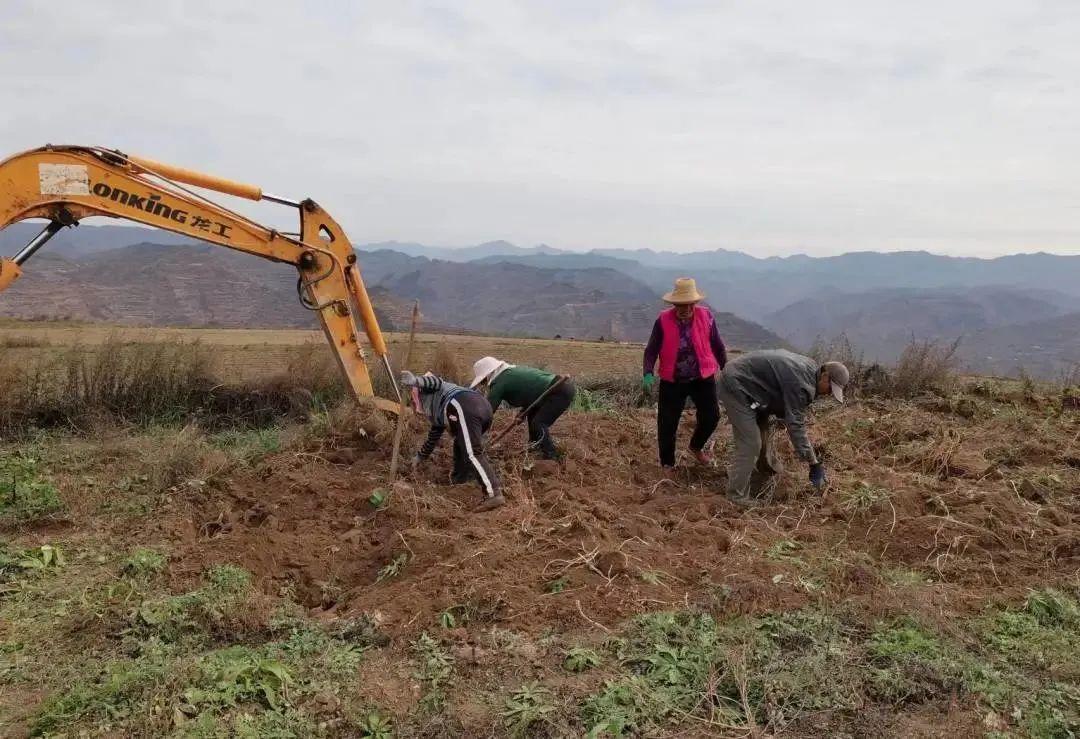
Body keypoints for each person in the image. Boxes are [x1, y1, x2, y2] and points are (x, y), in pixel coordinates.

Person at [716, 349, 849, 502]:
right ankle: (736, 496)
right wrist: (814, 463)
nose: (829, 394)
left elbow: (784, 399)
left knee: (763, 437)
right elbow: (795, 426)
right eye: (831, 388)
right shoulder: (801, 384)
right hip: (737, 385)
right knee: (751, 443)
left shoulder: (811, 370)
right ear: (825, 376)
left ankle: (763, 477)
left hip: (755, 391)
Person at [642, 277, 728, 472]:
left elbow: (718, 346)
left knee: (712, 416)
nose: (685, 309)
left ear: (695, 303)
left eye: (689, 305)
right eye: (680, 305)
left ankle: (695, 447)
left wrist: (726, 368)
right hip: (673, 380)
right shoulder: (663, 320)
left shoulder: (706, 317)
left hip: (702, 378)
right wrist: (647, 372)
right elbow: (651, 349)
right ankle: (667, 464)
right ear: (674, 304)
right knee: (667, 423)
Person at [401, 370, 505, 512]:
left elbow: (435, 381)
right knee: (461, 444)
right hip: (482, 406)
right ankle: (460, 480)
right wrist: (420, 456)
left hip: (463, 405)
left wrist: (416, 381)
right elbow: (434, 435)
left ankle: (493, 493)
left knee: (472, 452)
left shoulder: (433, 388)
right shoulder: (439, 406)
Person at [469, 356, 576, 460]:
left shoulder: (500, 383)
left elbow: (488, 411)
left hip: (558, 390)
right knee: (532, 416)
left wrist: (476, 432)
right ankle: (534, 446)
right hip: (556, 388)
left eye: (483, 380)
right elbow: (530, 391)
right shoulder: (510, 372)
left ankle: (551, 455)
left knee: (538, 423)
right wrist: (523, 412)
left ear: (488, 374)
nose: (483, 383)